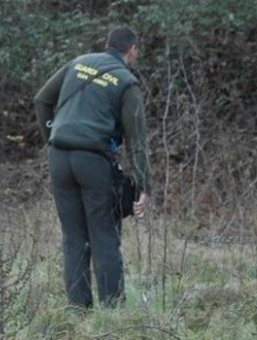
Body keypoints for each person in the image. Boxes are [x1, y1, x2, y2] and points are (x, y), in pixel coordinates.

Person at [34, 26, 152, 309]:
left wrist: (51, 136)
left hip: (59, 158)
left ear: (107, 44)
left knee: (74, 238)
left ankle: (78, 312)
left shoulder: (78, 63)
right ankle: (112, 314)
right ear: (132, 50)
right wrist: (144, 185)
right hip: (94, 162)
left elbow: (42, 100)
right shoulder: (126, 82)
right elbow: (137, 141)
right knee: (104, 236)